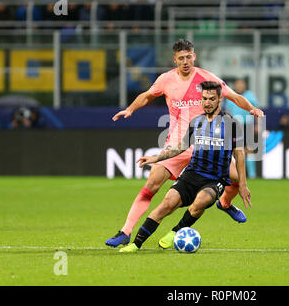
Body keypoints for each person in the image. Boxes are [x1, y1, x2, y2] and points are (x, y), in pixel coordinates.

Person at [105, 39, 263, 247]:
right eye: (181, 58)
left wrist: (251, 108)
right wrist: (130, 109)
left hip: (207, 144)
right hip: (178, 143)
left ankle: (225, 203)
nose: (186, 61)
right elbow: (146, 96)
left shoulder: (207, 78)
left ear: (194, 56)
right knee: (152, 183)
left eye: (189, 57)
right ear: (175, 60)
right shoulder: (166, 79)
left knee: (237, 179)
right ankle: (125, 231)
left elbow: (233, 96)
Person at [119, 81, 251, 253]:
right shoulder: (196, 122)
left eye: (212, 99)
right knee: (167, 203)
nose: (207, 102)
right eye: (204, 98)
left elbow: (239, 156)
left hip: (215, 179)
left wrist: (242, 184)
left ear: (220, 100)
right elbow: (181, 147)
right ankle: (135, 244)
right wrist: (156, 158)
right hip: (192, 174)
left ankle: (175, 232)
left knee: (201, 202)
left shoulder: (232, 124)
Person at [224, 79, 259, 178]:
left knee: (249, 149)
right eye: (238, 84)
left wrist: (257, 125)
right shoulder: (231, 97)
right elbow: (228, 112)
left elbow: (256, 111)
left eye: (241, 84)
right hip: (234, 125)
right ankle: (235, 175)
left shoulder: (250, 96)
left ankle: (252, 175)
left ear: (245, 85)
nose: (240, 86)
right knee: (234, 150)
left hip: (247, 125)